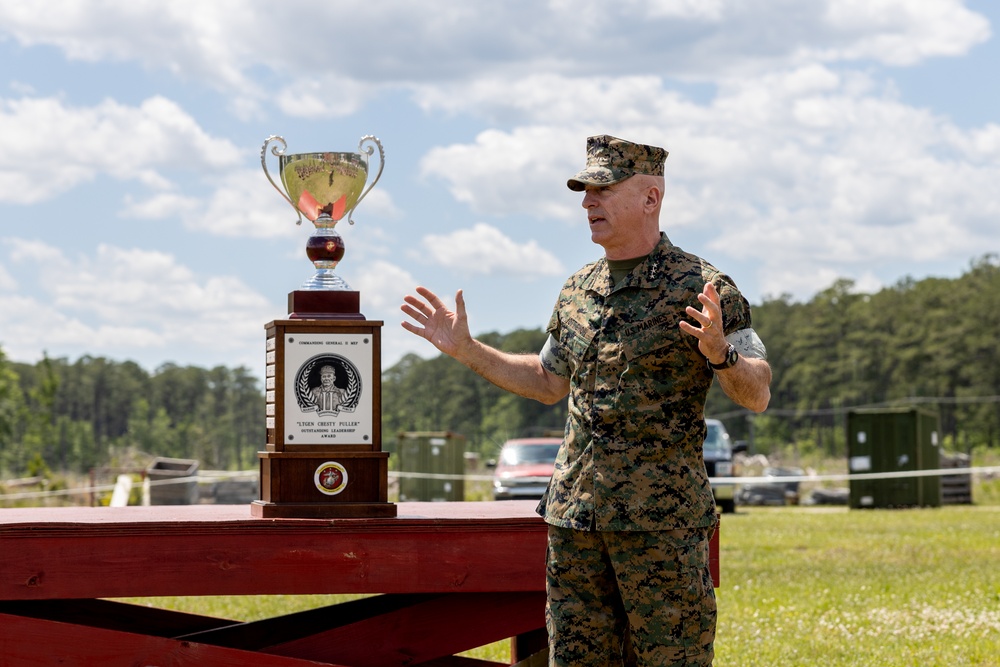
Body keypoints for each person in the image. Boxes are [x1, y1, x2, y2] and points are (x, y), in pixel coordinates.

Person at [401, 135, 771, 666]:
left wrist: (719, 353)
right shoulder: (578, 289)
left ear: (651, 197)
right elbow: (549, 380)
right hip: (575, 524)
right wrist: (467, 351)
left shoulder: (704, 288)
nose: (587, 202)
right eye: (584, 190)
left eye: (603, 188)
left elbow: (757, 391)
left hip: (659, 527)